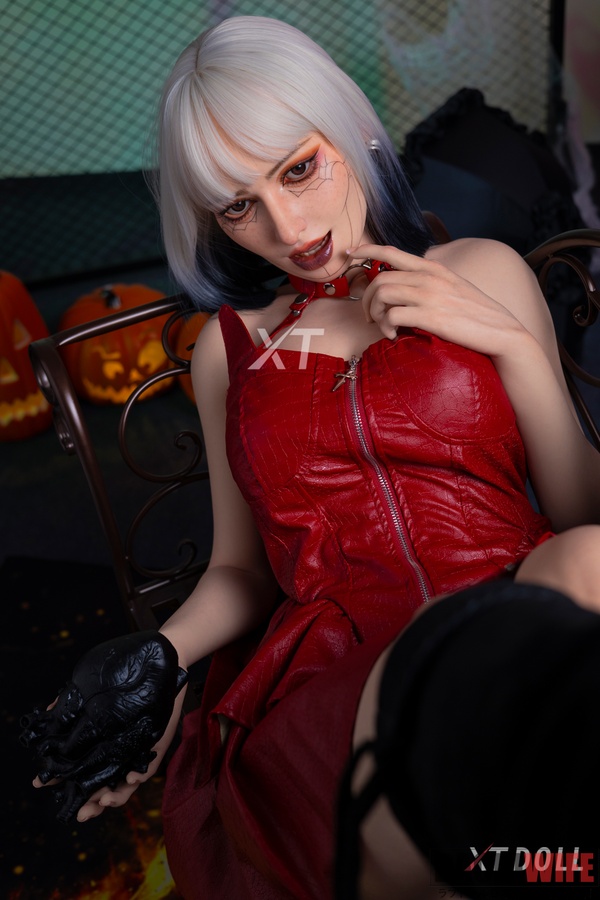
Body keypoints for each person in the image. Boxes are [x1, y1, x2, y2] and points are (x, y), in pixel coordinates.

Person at [23, 15, 600, 900]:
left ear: (351, 128)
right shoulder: (231, 352)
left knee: (586, 562)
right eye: (239, 205)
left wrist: (516, 344)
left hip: (524, 609)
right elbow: (241, 571)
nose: (288, 225)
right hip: (345, 682)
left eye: (298, 169)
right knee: (445, 694)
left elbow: (580, 513)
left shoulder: (480, 271)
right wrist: (162, 660)